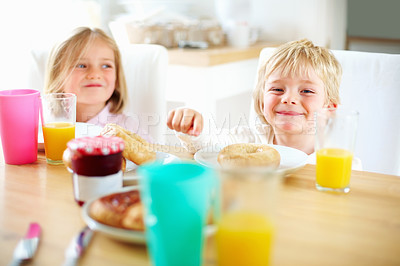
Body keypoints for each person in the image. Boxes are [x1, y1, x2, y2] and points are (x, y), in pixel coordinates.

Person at [167, 39, 362, 169]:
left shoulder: (340, 161)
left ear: (330, 108)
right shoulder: (250, 140)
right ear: (261, 101)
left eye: (306, 91)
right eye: (277, 89)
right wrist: (193, 127)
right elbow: (208, 147)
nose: (288, 99)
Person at [44, 27, 152, 142]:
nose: (95, 74)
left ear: (116, 79)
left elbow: (156, 158)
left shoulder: (131, 130)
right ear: (57, 77)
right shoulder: (44, 126)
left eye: (106, 66)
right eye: (81, 65)